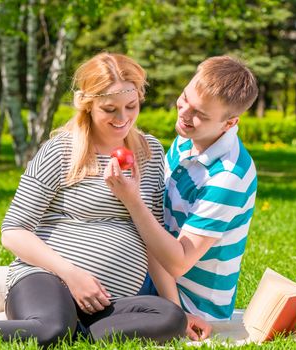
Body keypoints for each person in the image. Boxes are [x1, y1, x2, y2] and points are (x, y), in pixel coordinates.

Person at [0, 53, 186, 346]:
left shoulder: (151, 152)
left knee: (170, 318)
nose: (123, 119)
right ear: (88, 105)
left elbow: (153, 242)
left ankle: (75, 336)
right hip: (46, 280)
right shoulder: (60, 151)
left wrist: (180, 310)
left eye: (131, 107)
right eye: (110, 109)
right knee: (51, 329)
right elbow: (13, 232)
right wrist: (71, 275)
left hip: (107, 303)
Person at [104, 55, 259, 341]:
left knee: (78, 282)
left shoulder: (228, 177)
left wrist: (132, 201)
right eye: (185, 98)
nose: (184, 113)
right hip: (155, 273)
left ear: (229, 123)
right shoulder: (187, 140)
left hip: (190, 303)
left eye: (200, 113)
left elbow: (178, 262)